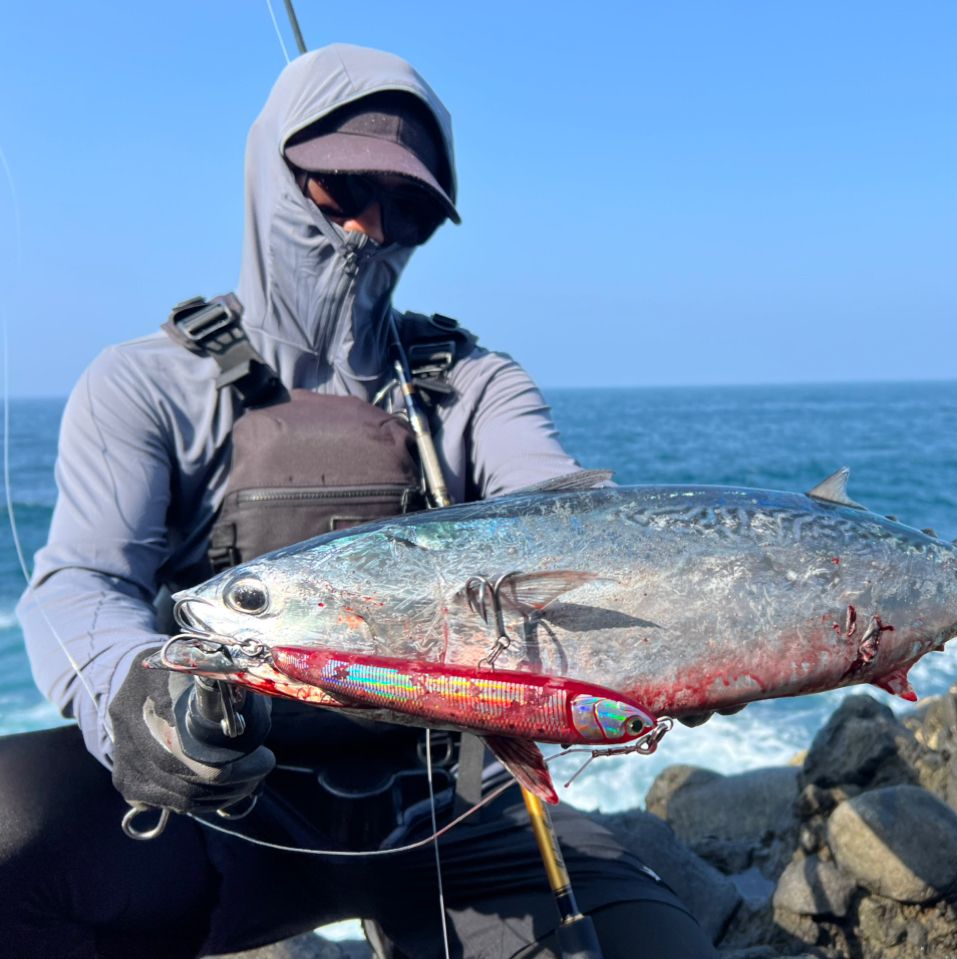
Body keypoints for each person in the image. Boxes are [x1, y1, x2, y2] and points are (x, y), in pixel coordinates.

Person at [3, 44, 716, 959]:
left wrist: (683, 624)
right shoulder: (146, 384)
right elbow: (81, 582)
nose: (371, 226)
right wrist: (134, 692)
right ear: (274, 173)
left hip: (455, 799)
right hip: (227, 804)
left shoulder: (475, 384)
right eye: (343, 185)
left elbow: (568, 528)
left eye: (408, 205)